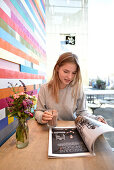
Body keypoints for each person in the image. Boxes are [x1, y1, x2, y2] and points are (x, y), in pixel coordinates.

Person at [35, 52, 106, 124]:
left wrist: (96, 118)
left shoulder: (78, 88)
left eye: (74, 73)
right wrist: (42, 116)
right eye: (66, 71)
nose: (70, 77)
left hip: (71, 128)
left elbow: (82, 112)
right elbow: (39, 111)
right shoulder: (44, 88)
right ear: (57, 68)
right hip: (50, 128)